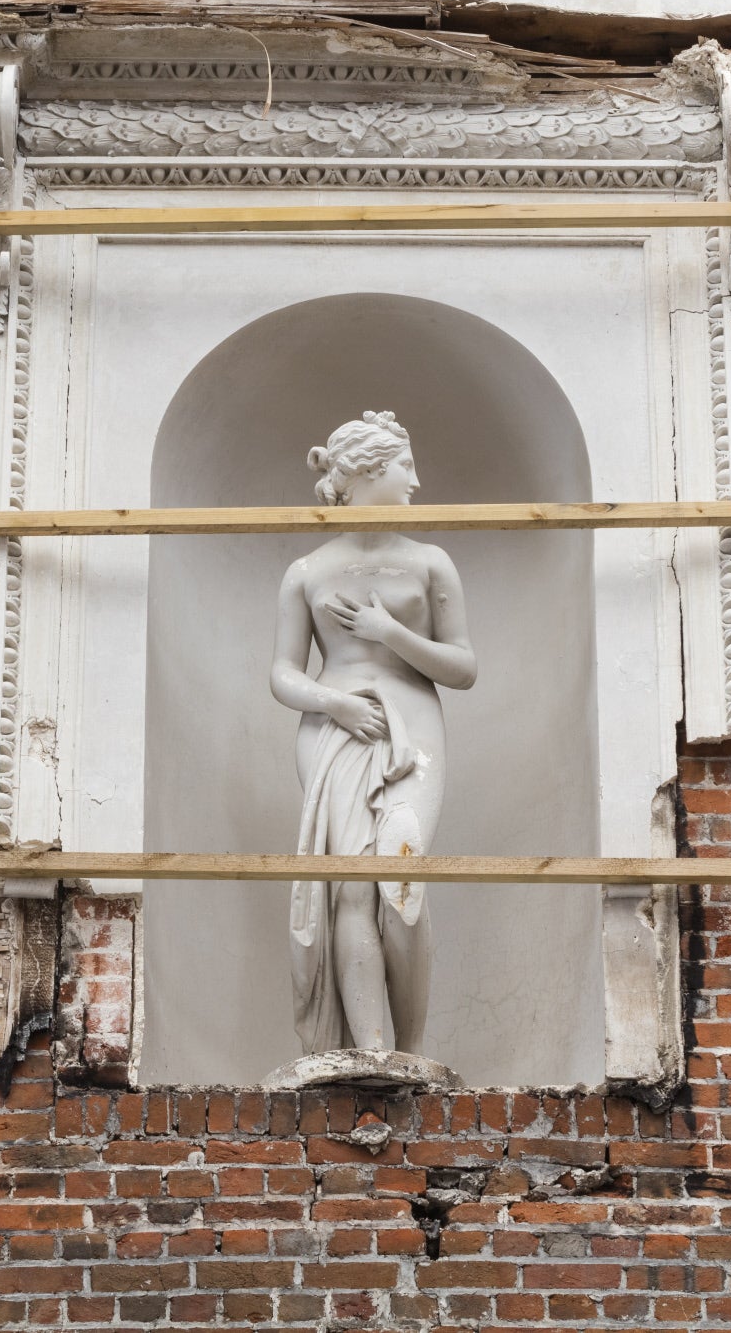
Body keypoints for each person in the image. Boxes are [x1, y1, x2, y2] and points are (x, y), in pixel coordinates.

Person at [270, 410, 477, 1054]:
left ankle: (410, 1052)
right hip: (335, 732)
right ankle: (372, 1051)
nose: (415, 481)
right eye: (404, 467)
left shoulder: (431, 563)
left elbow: (463, 668)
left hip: (413, 729)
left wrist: (390, 633)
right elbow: (282, 672)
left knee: (402, 876)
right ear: (366, 471)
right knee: (352, 888)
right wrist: (336, 705)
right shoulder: (307, 570)